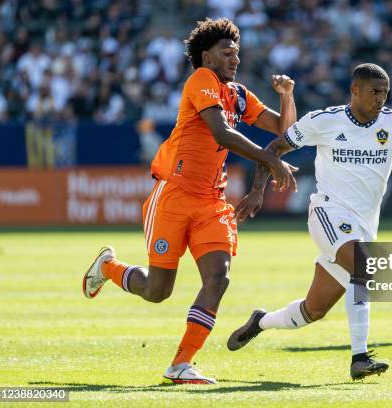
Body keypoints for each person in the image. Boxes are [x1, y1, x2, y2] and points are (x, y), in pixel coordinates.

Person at [82, 18, 298, 384]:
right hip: (175, 194)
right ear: (206, 56)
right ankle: (109, 268)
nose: (235, 59)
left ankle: (180, 364)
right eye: (226, 52)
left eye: (237, 53)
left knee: (219, 277)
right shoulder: (202, 80)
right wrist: (270, 160)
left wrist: (287, 96)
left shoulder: (239, 94)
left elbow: (285, 130)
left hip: (212, 200)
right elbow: (222, 133)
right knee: (157, 291)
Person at [227, 63, 392, 380]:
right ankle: (360, 358)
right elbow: (276, 146)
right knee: (364, 267)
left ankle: (261, 321)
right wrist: (257, 190)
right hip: (327, 212)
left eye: (384, 93)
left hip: (362, 227)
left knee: (314, 310)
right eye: (374, 92)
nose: (380, 99)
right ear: (355, 90)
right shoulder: (324, 121)